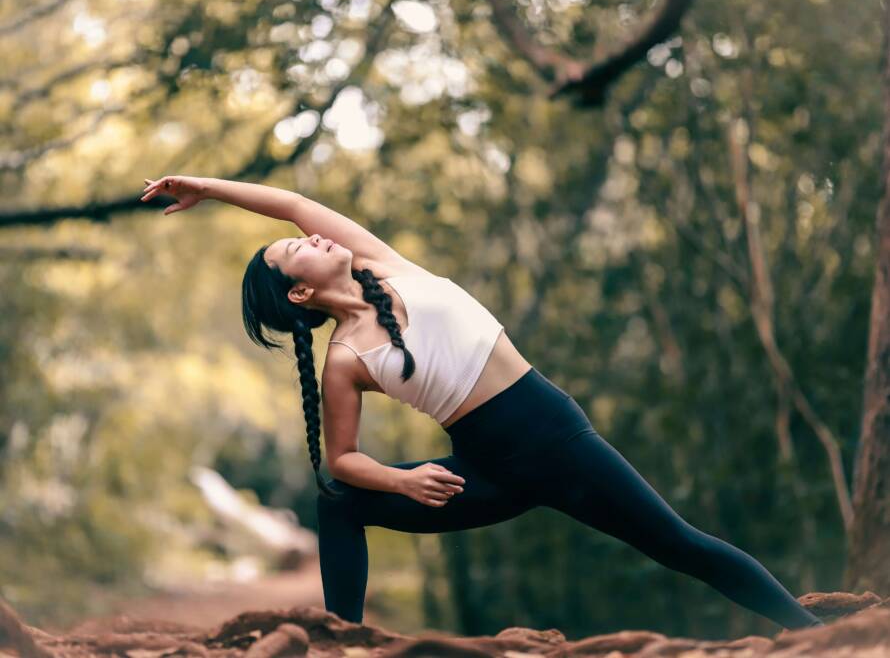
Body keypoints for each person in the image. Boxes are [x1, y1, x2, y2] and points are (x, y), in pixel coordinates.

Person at [141, 175, 825, 631]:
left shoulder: (382, 264)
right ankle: (339, 641)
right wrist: (403, 478)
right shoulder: (345, 359)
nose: (314, 234)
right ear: (298, 294)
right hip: (487, 474)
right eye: (299, 250)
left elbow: (289, 202)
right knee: (336, 504)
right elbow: (343, 461)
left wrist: (204, 186)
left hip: (558, 441)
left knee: (682, 546)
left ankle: (820, 638)